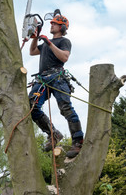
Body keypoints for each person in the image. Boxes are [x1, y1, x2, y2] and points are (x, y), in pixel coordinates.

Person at [29, 11, 83, 158]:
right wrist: (35, 38)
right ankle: (53, 134)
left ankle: (78, 141)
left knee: (65, 108)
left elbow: (64, 57)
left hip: (57, 76)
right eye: (51, 23)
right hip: (42, 79)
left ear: (62, 27)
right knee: (32, 106)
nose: (51, 25)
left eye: (54, 23)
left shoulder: (64, 42)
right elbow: (32, 51)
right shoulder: (46, 44)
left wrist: (49, 43)